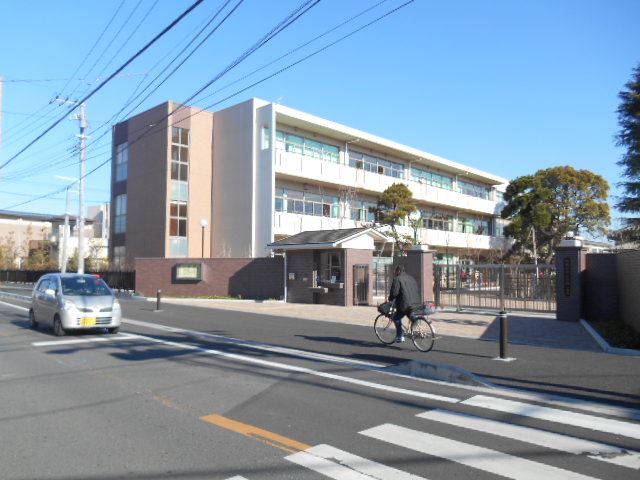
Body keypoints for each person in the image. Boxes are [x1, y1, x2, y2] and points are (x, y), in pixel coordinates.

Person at [388, 265, 421, 343]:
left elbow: (394, 292)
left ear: (398, 271)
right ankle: (415, 321)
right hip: (415, 302)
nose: (395, 273)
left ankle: (400, 336)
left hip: (405, 304)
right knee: (409, 313)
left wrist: (390, 299)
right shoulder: (411, 278)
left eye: (395, 271)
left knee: (396, 317)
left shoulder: (397, 279)